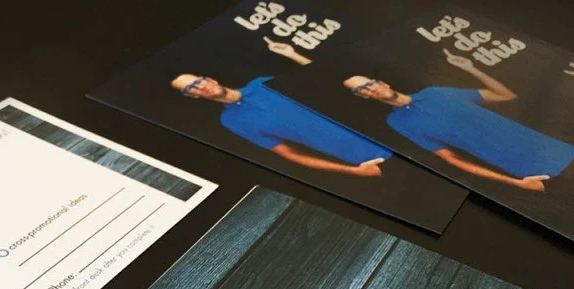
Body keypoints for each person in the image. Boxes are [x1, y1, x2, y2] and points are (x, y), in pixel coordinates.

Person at [344, 50, 574, 192]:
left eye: (369, 82)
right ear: (363, 97)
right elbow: (453, 160)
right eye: (362, 90)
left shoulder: (435, 92)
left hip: (559, 151)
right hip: (536, 174)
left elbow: (505, 96)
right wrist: (517, 183)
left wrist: (470, 68)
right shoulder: (397, 123)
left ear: (382, 82)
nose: (370, 89)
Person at [171, 38, 392, 177]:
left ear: (210, 79)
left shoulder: (261, 83)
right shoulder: (231, 121)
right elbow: (290, 155)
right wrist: (354, 171)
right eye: (191, 88)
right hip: (371, 162)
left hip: (395, 137)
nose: (200, 87)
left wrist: (291, 54)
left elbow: (325, 78)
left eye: (198, 80)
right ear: (192, 96)